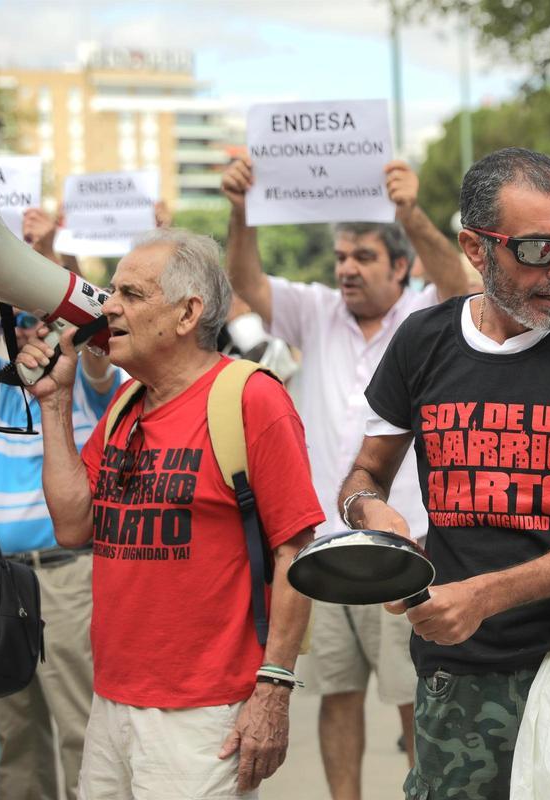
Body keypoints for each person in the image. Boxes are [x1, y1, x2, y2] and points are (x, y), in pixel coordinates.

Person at [338, 146, 550, 798]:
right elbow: (363, 476)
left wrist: (484, 596)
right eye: (538, 250)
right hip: (456, 669)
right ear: (475, 246)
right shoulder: (422, 341)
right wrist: (369, 514)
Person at [18, 228, 324, 797]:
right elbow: (73, 525)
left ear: (188, 314)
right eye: (112, 292)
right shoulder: (125, 403)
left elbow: (295, 553)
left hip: (205, 713)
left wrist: (273, 690)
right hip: (112, 702)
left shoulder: (252, 398)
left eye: (131, 294)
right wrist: (56, 405)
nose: (107, 306)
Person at [222, 155, 477, 800]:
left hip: (408, 545)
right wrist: (240, 212)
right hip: (325, 549)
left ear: (398, 266)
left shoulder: (426, 317)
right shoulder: (313, 311)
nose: (346, 269)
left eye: (363, 256)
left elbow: (461, 282)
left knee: (414, 696)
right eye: (341, 256)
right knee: (338, 694)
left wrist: (409, 214)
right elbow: (245, 280)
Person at [0, 205, 119, 800]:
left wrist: (49, 259)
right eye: (26, 322)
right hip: (2, 581)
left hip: (67, 580)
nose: (36, 333)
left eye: (45, 320)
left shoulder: (88, 378)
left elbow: (99, 318)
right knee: (16, 743)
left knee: (82, 734)